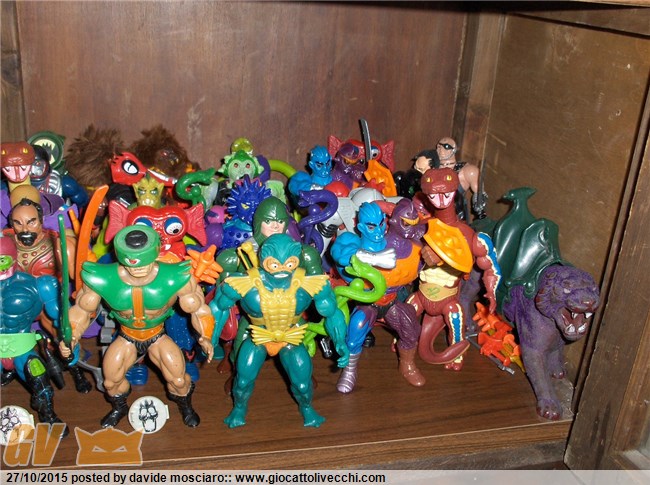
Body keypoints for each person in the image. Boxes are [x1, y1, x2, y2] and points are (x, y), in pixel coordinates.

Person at [60, 225, 214, 428]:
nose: (138, 269)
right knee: (111, 381)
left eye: (144, 263)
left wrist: (205, 336)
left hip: (157, 334)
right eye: (131, 264)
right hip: (127, 335)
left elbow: (199, 309)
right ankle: (120, 407)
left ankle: (185, 405)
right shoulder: (102, 278)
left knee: (178, 379)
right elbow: (81, 310)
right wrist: (71, 337)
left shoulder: (176, 276)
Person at [209, 234, 349, 428]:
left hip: (290, 337)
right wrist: (210, 338)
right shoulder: (245, 282)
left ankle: (307, 407)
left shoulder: (310, 283)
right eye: (275, 264)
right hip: (258, 337)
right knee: (242, 381)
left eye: (289, 264)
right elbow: (218, 307)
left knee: (303, 384)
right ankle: (239, 408)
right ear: (264, 260)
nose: (283, 269)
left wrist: (340, 341)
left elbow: (332, 313)